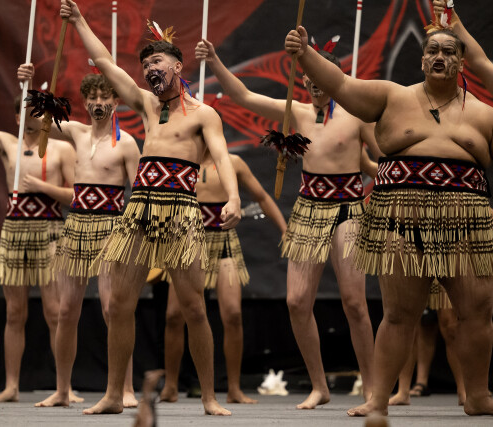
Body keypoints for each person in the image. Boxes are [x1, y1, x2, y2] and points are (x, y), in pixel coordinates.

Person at [286, 23, 493, 417]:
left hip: (466, 222)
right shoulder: (392, 97)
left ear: (462, 61)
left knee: (477, 313)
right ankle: (378, 398)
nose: (439, 57)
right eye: (432, 50)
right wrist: (305, 54)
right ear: (421, 59)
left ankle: (479, 395)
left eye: (449, 51)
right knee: (398, 314)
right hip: (400, 218)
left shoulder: (484, 114)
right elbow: (341, 85)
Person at [61, 0, 240, 416]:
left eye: (156, 61)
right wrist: (80, 21)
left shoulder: (204, 114)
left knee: (194, 307)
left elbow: (222, 156)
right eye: (145, 65)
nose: (149, 69)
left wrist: (232, 197)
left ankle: (210, 397)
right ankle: (113, 395)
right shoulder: (146, 104)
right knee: (119, 305)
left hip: (180, 211)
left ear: (177, 66)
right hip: (140, 208)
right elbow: (106, 64)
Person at [195, 37, 380, 409]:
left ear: (333, 78)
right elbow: (244, 96)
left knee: (354, 302)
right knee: (296, 302)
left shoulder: (357, 116)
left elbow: (382, 157)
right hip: (309, 208)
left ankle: (373, 389)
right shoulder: (298, 112)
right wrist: (214, 60)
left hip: (347, 208)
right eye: (309, 78)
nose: (314, 85)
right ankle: (319, 387)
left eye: (321, 78)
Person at [16, 64, 141, 408]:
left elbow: (139, 192)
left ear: (116, 101)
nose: (99, 102)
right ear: (85, 101)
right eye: (93, 97)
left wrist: (133, 234)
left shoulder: (127, 144)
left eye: (105, 96)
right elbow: (35, 121)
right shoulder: (76, 132)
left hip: (111, 228)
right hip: (76, 228)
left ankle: (126, 389)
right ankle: (62, 390)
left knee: (113, 310)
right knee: (66, 310)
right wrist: (28, 84)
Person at [160, 151, 287, 404]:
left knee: (233, 314)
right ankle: (171, 386)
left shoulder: (233, 162)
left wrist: (285, 230)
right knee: (174, 316)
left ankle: (234, 389)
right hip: (187, 239)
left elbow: (261, 196)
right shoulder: (181, 159)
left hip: (223, 240)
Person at [0, 86, 76, 403]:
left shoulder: (61, 150)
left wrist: (41, 186)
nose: (35, 116)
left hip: (49, 228)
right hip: (15, 230)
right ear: (17, 117)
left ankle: (64, 387)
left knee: (55, 311)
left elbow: (76, 196)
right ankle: (11, 386)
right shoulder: (7, 144)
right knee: (14, 312)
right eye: (28, 111)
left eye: (40, 111)